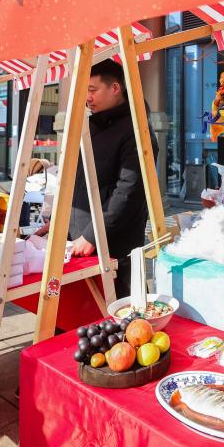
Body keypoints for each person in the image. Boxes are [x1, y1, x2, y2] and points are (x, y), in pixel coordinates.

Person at [68, 59, 157, 298]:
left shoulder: (136, 129)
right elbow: (80, 182)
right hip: (80, 241)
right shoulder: (92, 125)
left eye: (92, 90)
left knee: (123, 311)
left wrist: (93, 235)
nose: (87, 98)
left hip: (115, 245)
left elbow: (128, 191)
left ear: (115, 88)